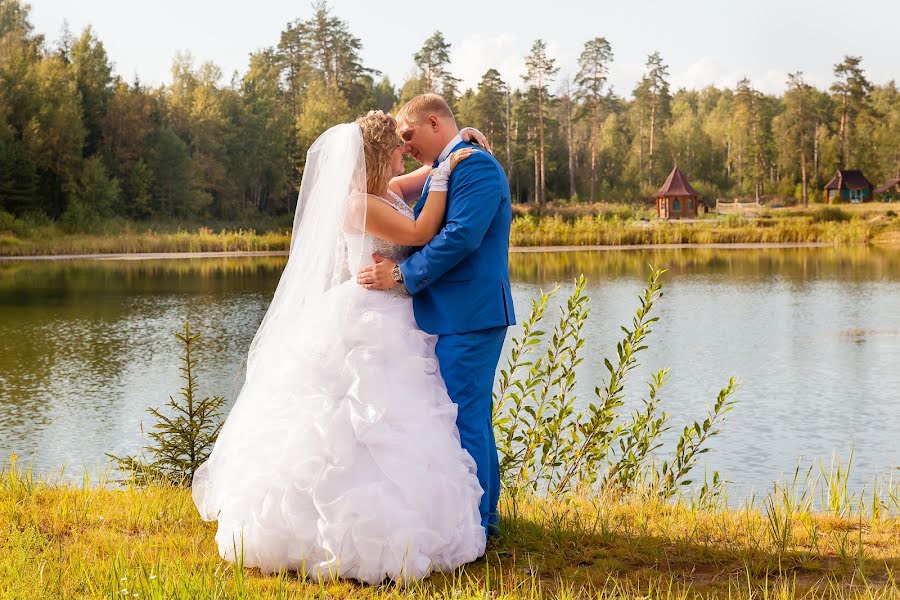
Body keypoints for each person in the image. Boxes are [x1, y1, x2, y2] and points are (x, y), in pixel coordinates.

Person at [191, 111, 494, 585]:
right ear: (377, 154)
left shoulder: (389, 190)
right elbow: (420, 234)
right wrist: (447, 168)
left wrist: (457, 146)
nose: (406, 153)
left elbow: (425, 174)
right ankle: (336, 534)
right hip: (367, 314)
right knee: (351, 418)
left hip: (397, 314)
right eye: (398, 148)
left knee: (404, 420)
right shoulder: (357, 205)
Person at [357, 94, 516, 537]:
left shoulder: (476, 167)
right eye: (398, 142)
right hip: (448, 314)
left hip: (470, 314)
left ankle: (481, 525)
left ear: (432, 123)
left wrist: (402, 276)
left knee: (465, 417)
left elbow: (461, 238)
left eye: (409, 136)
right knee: (459, 417)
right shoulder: (452, 163)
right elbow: (421, 191)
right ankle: (474, 518)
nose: (405, 146)